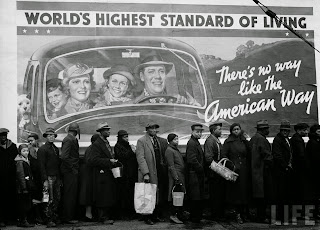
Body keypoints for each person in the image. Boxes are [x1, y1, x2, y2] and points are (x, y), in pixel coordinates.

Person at [134, 53, 200, 106]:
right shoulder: (132, 105)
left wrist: (189, 106)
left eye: (161, 71)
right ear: (142, 76)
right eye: (151, 71)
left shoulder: (177, 101)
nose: (158, 76)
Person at [136, 123, 168, 225]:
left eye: (155, 128)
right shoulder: (141, 141)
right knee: (147, 194)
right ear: (147, 130)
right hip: (149, 171)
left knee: (156, 193)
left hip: (158, 170)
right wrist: (145, 173)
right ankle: (147, 217)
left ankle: (155, 215)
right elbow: (140, 158)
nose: (155, 130)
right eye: (152, 128)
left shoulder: (157, 140)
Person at [87, 122, 117, 225]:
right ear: (101, 132)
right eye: (107, 130)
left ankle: (105, 216)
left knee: (107, 195)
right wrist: (109, 161)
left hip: (107, 173)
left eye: (109, 129)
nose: (109, 131)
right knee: (102, 196)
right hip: (101, 174)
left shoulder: (105, 142)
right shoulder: (97, 144)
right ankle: (103, 217)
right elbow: (93, 160)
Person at [221, 123, 250, 224]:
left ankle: (244, 214)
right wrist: (231, 165)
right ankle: (237, 215)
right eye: (234, 130)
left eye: (238, 129)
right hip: (234, 171)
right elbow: (223, 155)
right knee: (237, 194)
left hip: (244, 171)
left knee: (244, 193)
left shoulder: (244, 141)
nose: (236, 131)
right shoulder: (228, 142)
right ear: (231, 131)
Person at [249, 120, 273, 223]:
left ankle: (258, 216)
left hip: (254, 171)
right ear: (263, 130)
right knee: (263, 195)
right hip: (262, 171)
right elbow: (267, 156)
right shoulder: (262, 140)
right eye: (267, 128)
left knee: (257, 195)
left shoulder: (253, 139)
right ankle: (261, 217)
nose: (268, 130)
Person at [37, 128, 61, 228]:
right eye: (49, 135)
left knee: (57, 198)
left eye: (53, 135)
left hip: (56, 176)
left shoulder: (55, 148)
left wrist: (59, 178)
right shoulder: (43, 149)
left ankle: (53, 217)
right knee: (48, 199)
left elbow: (58, 165)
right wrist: (45, 180)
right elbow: (41, 166)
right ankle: (48, 219)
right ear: (46, 137)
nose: (51, 136)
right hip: (48, 177)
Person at [272, 120, 294, 223]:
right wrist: (285, 166)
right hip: (281, 171)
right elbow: (277, 155)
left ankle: (285, 215)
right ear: (280, 130)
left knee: (286, 194)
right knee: (281, 195)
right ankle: (281, 216)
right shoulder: (278, 139)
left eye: (287, 130)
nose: (285, 132)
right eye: (283, 130)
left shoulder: (286, 139)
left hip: (286, 170)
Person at [204, 122, 226, 221]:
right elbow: (208, 158)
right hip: (214, 173)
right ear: (213, 130)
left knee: (220, 194)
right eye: (219, 129)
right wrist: (219, 169)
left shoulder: (217, 140)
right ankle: (215, 215)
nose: (221, 131)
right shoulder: (210, 141)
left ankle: (219, 214)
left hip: (219, 172)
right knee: (215, 194)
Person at [114, 130, 138, 220]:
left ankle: (131, 213)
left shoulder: (128, 145)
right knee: (124, 194)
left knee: (130, 193)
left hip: (131, 173)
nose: (127, 139)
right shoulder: (118, 146)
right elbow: (122, 156)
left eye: (127, 136)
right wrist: (132, 151)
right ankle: (124, 214)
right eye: (124, 137)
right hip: (124, 174)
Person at [60, 122, 81, 224]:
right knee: (69, 195)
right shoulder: (69, 139)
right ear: (76, 131)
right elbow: (64, 157)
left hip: (71, 171)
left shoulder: (70, 139)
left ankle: (68, 216)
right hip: (69, 172)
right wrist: (72, 168)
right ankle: (67, 217)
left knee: (71, 194)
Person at [186, 124, 205, 223]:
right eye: (197, 132)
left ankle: (196, 216)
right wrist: (200, 168)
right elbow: (191, 159)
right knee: (195, 197)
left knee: (197, 196)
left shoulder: (195, 142)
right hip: (194, 174)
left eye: (200, 132)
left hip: (196, 173)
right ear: (192, 132)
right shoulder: (192, 143)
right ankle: (195, 217)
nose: (199, 133)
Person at [165, 133, 185, 224]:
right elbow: (171, 166)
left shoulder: (175, 149)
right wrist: (176, 178)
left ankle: (179, 214)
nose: (177, 141)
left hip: (180, 175)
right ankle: (173, 215)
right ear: (170, 141)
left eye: (177, 139)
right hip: (175, 177)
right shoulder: (169, 150)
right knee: (175, 196)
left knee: (179, 196)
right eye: (175, 139)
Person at [79, 133, 100, 221]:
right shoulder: (93, 149)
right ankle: (88, 215)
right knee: (89, 195)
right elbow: (91, 161)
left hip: (87, 174)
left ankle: (89, 214)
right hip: (89, 175)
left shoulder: (89, 149)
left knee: (88, 195)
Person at [0, 128, 18, 227]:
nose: (3, 137)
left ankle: (10, 218)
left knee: (10, 197)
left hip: (11, 177)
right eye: (1, 136)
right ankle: (2, 219)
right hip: (0, 178)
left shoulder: (13, 147)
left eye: (4, 135)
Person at [15, 144, 35, 228]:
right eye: (24, 151)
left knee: (26, 203)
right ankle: (23, 220)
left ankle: (24, 220)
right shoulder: (20, 162)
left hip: (27, 186)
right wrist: (24, 188)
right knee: (23, 204)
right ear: (20, 152)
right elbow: (21, 175)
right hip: (23, 187)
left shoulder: (26, 160)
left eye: (27, 151)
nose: (26, 152)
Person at [290, 123, 310, 204]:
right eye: (304, 130)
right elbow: (301, 155)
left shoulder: (294, 138)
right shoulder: (298, 140)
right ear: (298, 130)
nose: (306, 132)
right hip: (299, 168)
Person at [27, 133, 44, 224]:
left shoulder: (41, 150)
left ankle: (42, 216)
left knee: (43, 197)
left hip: (42, 177)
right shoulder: (28, 151)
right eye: (28, 141)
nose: (30, 142)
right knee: (35, 198)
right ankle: (37, 217)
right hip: (33, 178)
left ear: (36, 140)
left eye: (31, 140)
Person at [306, 124, 320, 218]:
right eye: (318, 132)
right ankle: (315, 213)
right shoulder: (313, 143)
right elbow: (316, 159)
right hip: (315, 172)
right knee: (315, 193)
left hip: (314, 171)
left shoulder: (312, 142)